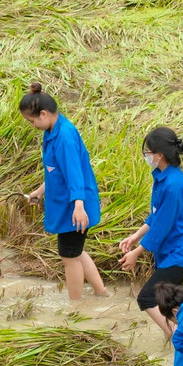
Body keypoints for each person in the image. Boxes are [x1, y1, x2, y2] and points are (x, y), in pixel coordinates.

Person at [18, 83, 108, 301]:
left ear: (44, 114)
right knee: (76, 251)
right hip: (66, 203)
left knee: (69, 257)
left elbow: (75, 174)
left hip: (74, 206)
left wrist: (78, 206)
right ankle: (102, 293)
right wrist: (40, 191)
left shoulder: (65, 136)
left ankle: (75, 307)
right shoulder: (51, 132)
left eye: (32, 121)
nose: (32, 126)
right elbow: (56, 171)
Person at [119, 127, 183, 337]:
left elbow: (162, 226)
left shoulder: (173, 185)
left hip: (180, 253)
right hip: (173, 252)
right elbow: (156, 215)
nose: (146, 155)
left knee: (147, 298)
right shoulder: (164, 177)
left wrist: (136, 253)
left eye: (148, 152)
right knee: (171, 303)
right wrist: (135, 236)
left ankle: (177, 339)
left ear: (159, 155)